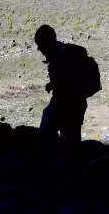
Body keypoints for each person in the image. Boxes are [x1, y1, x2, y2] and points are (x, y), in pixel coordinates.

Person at [34, 25, 89, 173]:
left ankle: (49, 173)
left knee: (49, 137)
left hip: (65, 106)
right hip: (76, 105)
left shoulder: (60, 58)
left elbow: (66, 83)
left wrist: (55, 85)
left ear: (48, 41)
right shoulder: (64, 53)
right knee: (71, 141)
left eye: (40, 44)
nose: (39, 49)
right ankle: (71, 175)